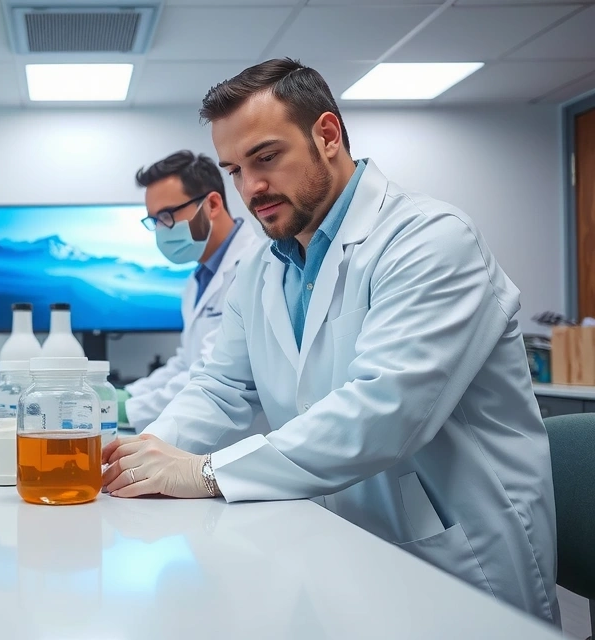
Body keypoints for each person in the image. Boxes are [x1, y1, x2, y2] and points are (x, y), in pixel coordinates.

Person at [101, 59, 560, 624]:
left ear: (326, 135)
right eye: (235, 169)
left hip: (456, 561)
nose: (251, 187)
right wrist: (136, 461)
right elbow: (221, 387)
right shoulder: (265, 270)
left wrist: (205, 472)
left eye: (265, 158)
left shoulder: (431, 240)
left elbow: (384, 411)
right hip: (332, 548)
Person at [118, 151, 261, 431]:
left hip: (242, 438)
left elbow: (210, 371)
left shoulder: (254, 267)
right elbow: (187, 360)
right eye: (154, 221)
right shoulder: (199, 279)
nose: (161, 229)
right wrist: (129, 395)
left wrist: (128, 409)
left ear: (213, 204)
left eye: (167, 216)